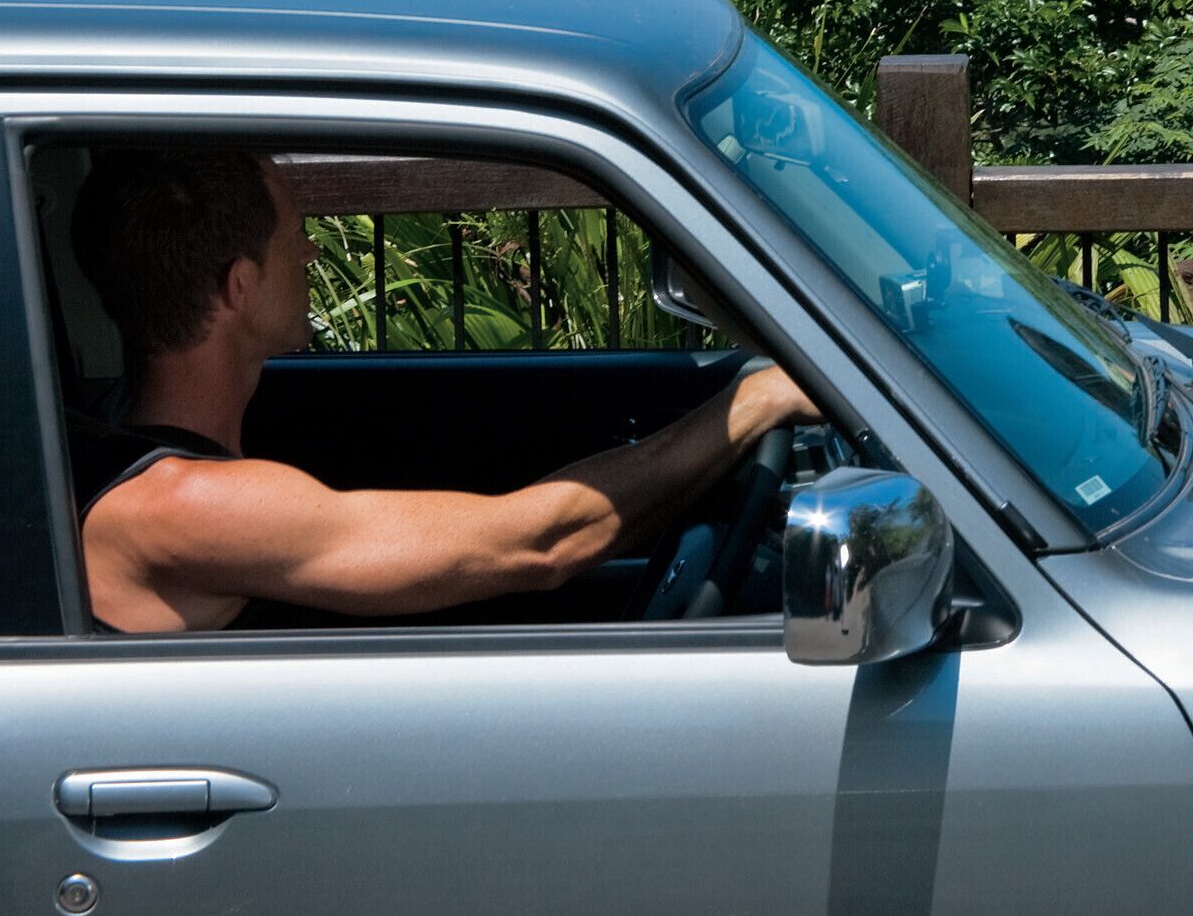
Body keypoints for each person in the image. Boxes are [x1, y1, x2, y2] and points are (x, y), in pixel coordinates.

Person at [68, 145, 814, 634]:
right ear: (239, 286)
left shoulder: (117, 437)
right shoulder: (184, 505)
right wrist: (754, 403)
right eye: (294, 235)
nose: (312, 250)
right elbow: (538, 546)